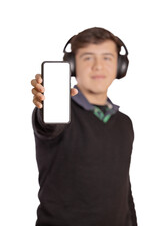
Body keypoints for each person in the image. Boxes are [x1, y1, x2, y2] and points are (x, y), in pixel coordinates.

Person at [31, 27, 138, 226]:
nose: (98, 66)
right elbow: (48, 126)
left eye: (107, 58)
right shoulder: (60, 114)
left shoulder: (125, 123)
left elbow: (124, 188)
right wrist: (45, 104)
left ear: (120, 66)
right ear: (72, 66)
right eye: (87, 58)